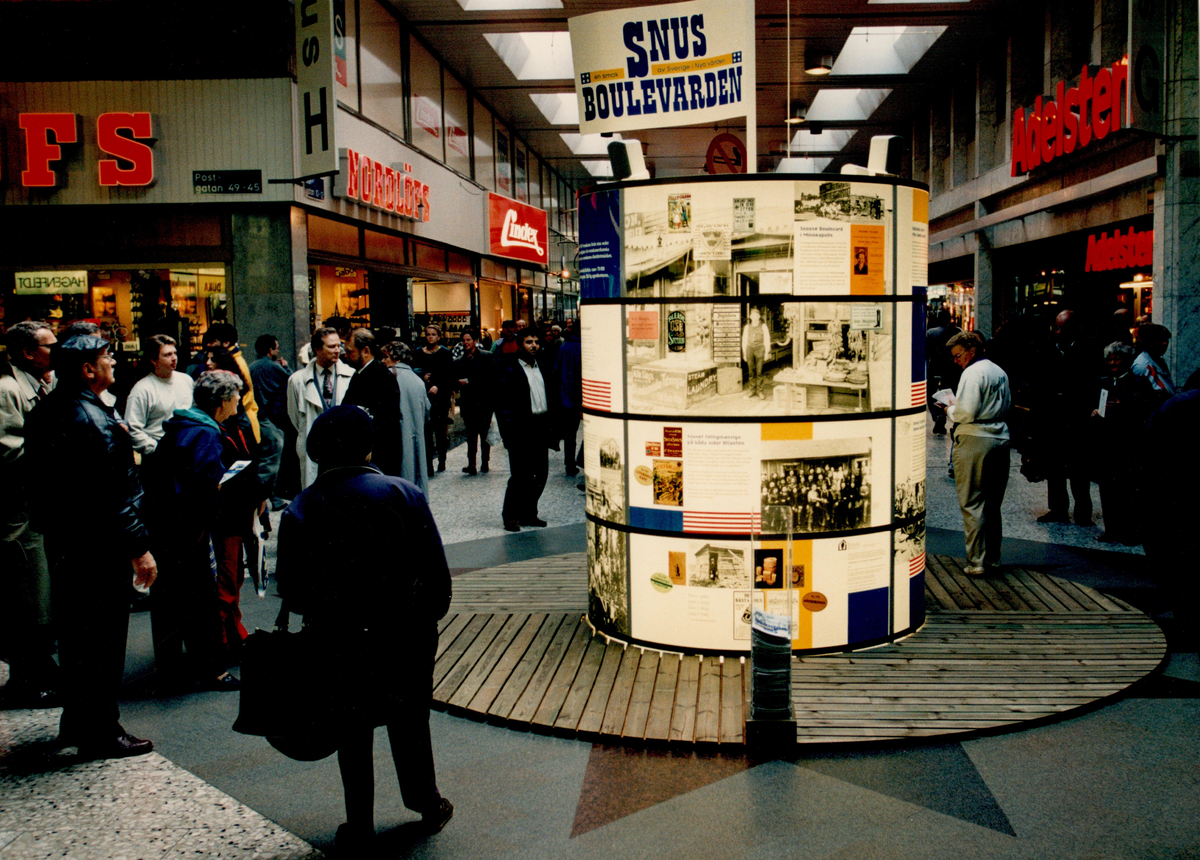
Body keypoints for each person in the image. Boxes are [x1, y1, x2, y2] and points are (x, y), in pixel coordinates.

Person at [274, 406, 454, 851]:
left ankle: (359, 823)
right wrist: (424, 617)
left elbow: (293, 591)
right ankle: (426, 802)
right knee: (410, 718)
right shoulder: (403, 494)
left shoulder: (302, 507)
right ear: (369, 446)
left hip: (338, 638)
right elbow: (437, 577)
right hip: (405, 633)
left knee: (351, 728)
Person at [25, 335, 157, 758]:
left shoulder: (51, 406)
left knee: (78, 639)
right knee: (101, 641)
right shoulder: (90, 416)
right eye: (106, 357)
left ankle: (78, 720)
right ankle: (101, 728)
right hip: (97, 547)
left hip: (66, 542)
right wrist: (139, 547)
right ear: (87, 369)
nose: (114, 361)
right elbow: (111, 493)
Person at [146, 371, 246, 691]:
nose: (238, 402)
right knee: (199, 599)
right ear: (222, 402)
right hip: (189, 530)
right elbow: (206, 486)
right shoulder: (206, 434)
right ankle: (211, 668)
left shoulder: (181, 425)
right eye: (236, 396)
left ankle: (171, 667)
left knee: (167, 601)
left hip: (163, 524)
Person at [0, 321, 59, 706]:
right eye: (49, 345)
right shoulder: (7, 389)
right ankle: (25, 677)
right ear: (26, 353)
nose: (56, 351)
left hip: (41, 506)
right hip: (18, 511)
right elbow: (8, 450)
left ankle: (38, 669)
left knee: (43, 594)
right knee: (28, 596)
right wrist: (54, 455)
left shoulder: (47, 382)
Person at [941, 331, 1012, 575]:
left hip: (975, 438)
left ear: (971, 352)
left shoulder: (971, 374)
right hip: (1000, 436)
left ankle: (976, 562)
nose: (956, 360)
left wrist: (949, 409)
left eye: (958, 355)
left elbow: (966, 413)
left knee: (973, 502)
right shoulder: (998, 371)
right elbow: (1008, 403)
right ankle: (993, 558)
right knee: (993, 504)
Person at [1035, 310, 1098, 526]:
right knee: (1055, 468)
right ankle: (1058, 509)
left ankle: (1082, 512)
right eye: (1057, 326)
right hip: (1053, 418)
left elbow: (1091, 383)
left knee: (1079, 470)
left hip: (1077, 418)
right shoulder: (1048, 348)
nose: (1058, 331)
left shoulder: (1087, 349)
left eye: (1063, 327)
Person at [1088, 342, 1155, 544]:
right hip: (1107, 445)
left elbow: (1144, 412)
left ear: (1127, 361)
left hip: (1128, 446)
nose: (1113, 362)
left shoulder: (1139, 383)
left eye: (1117, 359)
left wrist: (1123, 407)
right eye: (1110, 359)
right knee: (1107, 489)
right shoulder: (1104, 382)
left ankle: (1131, 532)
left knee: (1128, 491)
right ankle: (1112, 530)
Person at [496, 327, 556, 531]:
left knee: (540, 474)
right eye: (529, 342)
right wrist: (509, 433)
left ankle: (529, 513)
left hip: (541, 426)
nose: (534, 346)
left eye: (537, 342)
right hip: (521, 428)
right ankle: (511, 516)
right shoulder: (509, 369)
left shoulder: (543, 366)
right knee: (520, 475)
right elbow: (503, 405)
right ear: (520, 345)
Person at [286, 327, 355, 488]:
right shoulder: (297, 380)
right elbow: (295, 416)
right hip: (314, 449)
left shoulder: (351, 376)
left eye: (339, 345)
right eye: (331, 347)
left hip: (342, 447)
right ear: (317, 349)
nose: (337, 350)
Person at [343, 328, 402, 477]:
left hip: (378, 457)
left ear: (366, 351)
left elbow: (387, 421)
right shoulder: (359, 375)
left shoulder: (382, 377)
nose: (346, 356)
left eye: (350, 352)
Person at [124, 334, 194, 459]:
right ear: (154, 360)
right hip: (158, 455)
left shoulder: (186, 380)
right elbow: (132, 429)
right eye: (167, 355)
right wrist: (157, 450)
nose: (174, 358)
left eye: (175, 353)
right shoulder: (142, 389)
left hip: (187, 449)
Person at [248, 334, 292, 511]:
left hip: (255, 418)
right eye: (276, 348)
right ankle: (262, 499)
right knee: (272, 459)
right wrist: (286, 368)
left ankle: (270, 497)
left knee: (264, 459)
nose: (278, 351)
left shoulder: (252, 367)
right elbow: (290, 383)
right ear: (269, 350)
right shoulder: (273, 368)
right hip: (268, 419)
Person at [381, 341, 431, 495]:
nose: (382, 361)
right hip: (416, 437)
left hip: (396, 440)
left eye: (385, 357)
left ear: (395, 358)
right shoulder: (418, 380)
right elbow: (427, 411)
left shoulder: (388, 377)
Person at [412, 324, 454, 476]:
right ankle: (428, 464)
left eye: (433, 334)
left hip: (440, 397)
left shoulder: (444, 353)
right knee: (426, 431)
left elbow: (449, 374)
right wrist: (422, 376)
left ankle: (441, 459)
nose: (430, 337)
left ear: (439, 336)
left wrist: (438, 385)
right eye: (428, 334)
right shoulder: (418, 352)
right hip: (423, 395)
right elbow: (414, 370)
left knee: (440, 430)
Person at [453, 329, 495, 475]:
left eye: (468, 340)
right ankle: (472, 463)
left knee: (484, 434)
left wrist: (469, 382)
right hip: (468, 403)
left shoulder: (486, 357)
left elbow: (490, 378)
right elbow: (454, 380)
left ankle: (485, 462)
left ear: (475, 341)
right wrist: (458, 384)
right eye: (463, 340)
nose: (465, 343)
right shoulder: (459, 361)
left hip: (484, 401)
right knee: (471, 435)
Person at [553, 323, 583, 478]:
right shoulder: (585, 347)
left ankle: (569, 464)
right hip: (584, 398)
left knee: (570, 435)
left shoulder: (564, 348)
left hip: (566, 398)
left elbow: (556, 372)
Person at [925, 309, 961, 435]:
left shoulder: (931, 332)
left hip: (934, 367)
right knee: (950, 393)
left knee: (932, 393)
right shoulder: (957, 332)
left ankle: (937, 414)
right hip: (951, 368)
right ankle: (947, 414)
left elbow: (926, 351)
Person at [1131, 323, 1175, 400]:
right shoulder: (1142, 366)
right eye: (1160, 340)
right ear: (1149, 342)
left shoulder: (1159, 361)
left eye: (1166, 340)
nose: (1165, 344)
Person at [742, 307, 771, 399]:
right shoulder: (747, 327)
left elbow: (767, 339)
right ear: (750, 317)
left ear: (759, 316)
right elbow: (744, 340)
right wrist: (744, 352)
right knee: (751, 372)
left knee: (759, 372)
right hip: (749, 349)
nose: (754, 317)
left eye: (756, 315)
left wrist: (766, 352)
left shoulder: (763, 326)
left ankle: (759, 391)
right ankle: (752, 390)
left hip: (760, 349)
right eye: (753, 315)